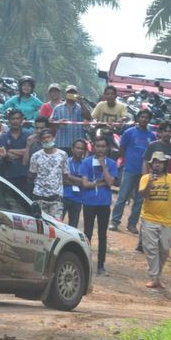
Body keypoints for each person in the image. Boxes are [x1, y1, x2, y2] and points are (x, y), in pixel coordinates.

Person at [139, 151, 171, 288]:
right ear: (151, 165)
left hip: (166, 220)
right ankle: (154, 277)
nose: (157, 165)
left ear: (164, 164)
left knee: (164, 249)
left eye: (160, 163)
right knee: (151, 249)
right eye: (155, 162)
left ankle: (157, 274)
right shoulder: (145, 178)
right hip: (149, 218)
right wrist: (150, 183)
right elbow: (143, 195)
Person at [109, 109, 156, 233]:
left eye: (146, 117)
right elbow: (122, 148)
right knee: (122, 196)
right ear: (138, 118)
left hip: (144, 172)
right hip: (129, 169)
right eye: (142, 117)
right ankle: (114, 222)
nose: (144, 119)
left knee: (139, 200)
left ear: (149, 120)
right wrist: (127, 160)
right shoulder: (129, 132)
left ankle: (132, 225)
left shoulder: (152, 136)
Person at [79, 135, 117, 276]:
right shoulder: (87, 163)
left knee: (102, 235)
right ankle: (85, 263)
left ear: (106, 147)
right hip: (89, 202)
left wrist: (103, 166)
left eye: (103, 146)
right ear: (94, 147)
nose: (100, 149)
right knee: (87, 233)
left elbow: (110, 182)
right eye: (98, 146)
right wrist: (98, 183)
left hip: (103, 203)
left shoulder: (111, 163)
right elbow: (85, 183)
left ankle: (101, 266)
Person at [29, 130, 70, 221]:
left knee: (57, 225)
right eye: (44, 138)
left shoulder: (62, 155)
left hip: (56, 198)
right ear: (40, 140)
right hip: (39, 197)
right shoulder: (36, 156)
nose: (47, 140)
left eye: (49, 137)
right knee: (40, 226)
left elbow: (65, 175)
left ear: (53, 138)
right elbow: (32, 174)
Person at [51, 84, 92, 155]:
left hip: (78, 145)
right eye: (69, 93)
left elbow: (88, 117)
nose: (71, 94)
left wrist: (81, 103)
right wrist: (58, 122)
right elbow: (50, 121)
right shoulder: (58, 108)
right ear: (66, 94)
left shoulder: (80, 107)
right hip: (62, 143)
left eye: (73, 93)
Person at [0, 109, 32, 194]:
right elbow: (4, 154)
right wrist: (23, 153)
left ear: (21, 120)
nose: (15, 121)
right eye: (13, 119)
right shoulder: (3, 137)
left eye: (17, 118)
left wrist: (11, 150)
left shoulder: (29, 135)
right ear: (9, 120)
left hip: (25, 175)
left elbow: (31, 152)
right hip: (9, 175)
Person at [63, 139, 87, 228]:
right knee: (58, 223)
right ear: (72, 149)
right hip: (63, 196)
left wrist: (69, 176)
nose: (80, 150)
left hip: (78, 199)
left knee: (73, 226)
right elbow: (62, 180)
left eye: (82, 148)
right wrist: (79, 181)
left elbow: (86, 182)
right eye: (77, 148)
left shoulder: (86, 164)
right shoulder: (65, 161)